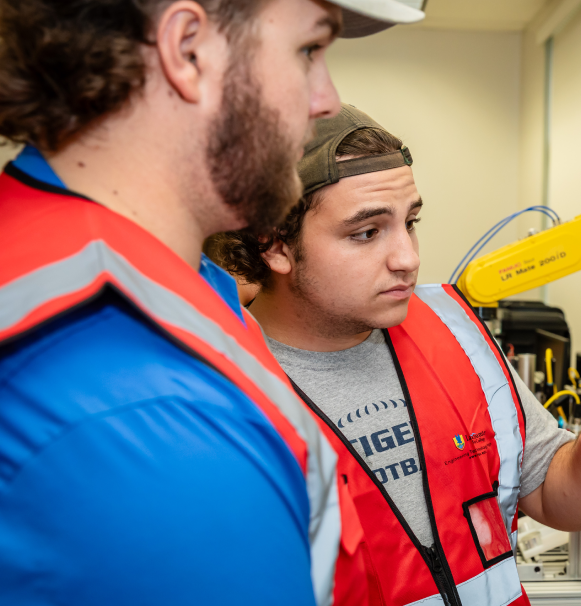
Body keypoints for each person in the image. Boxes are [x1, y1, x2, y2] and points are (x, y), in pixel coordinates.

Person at [0, 1, 421, 604]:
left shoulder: (165, 280)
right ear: (188, 49)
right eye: (308, 51)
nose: (326, 99)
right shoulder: (140, 408)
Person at [205, 105, 581, 606]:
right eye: (366, 233)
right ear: (273, 244)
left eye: (409, 222)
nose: (407, 257)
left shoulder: (452, 331)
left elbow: (557, 499)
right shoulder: (222, 386)